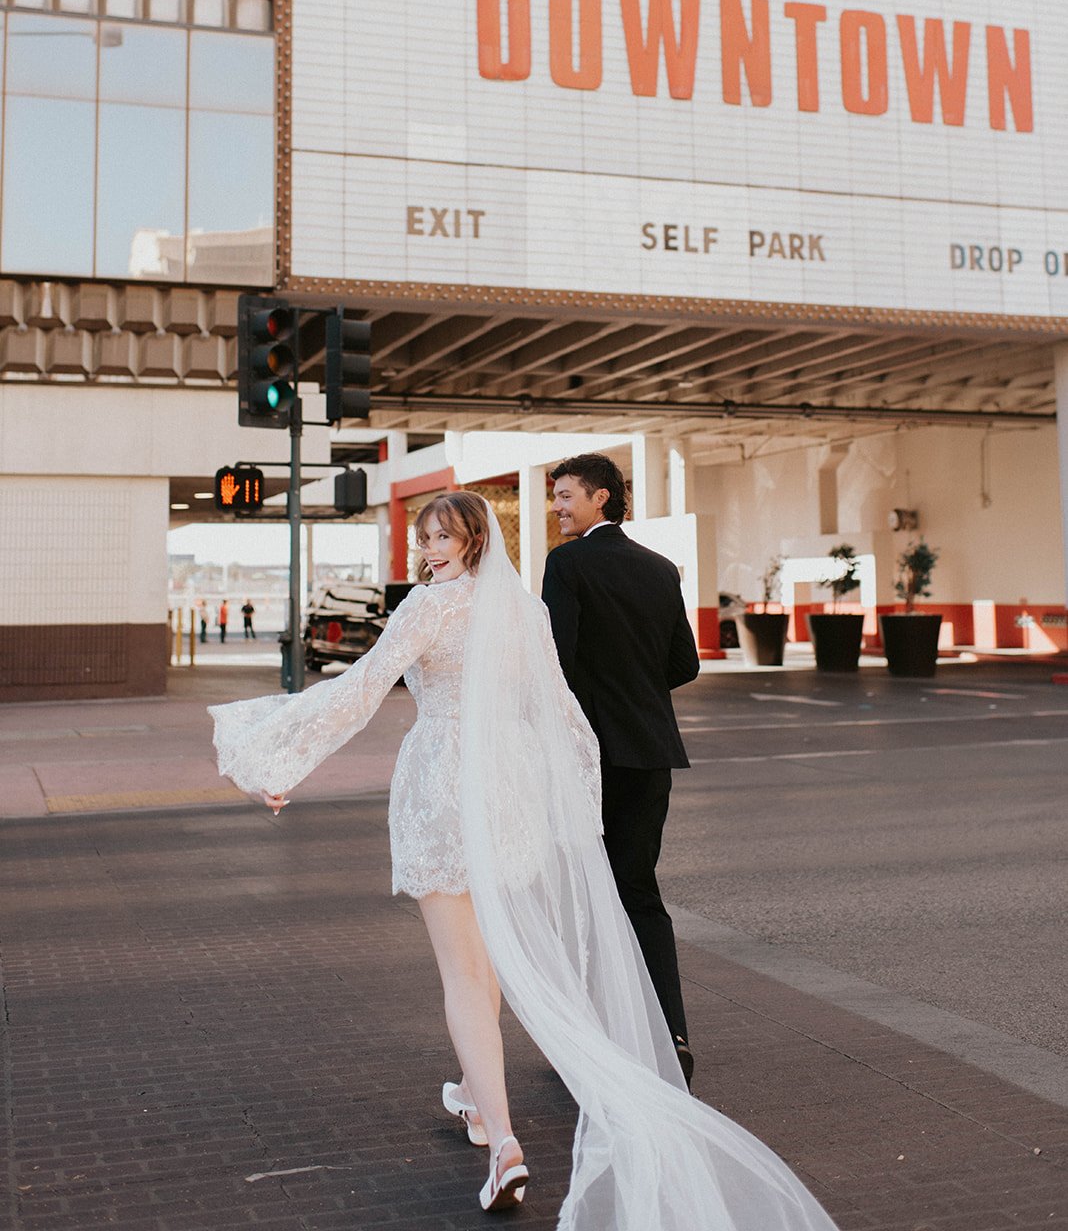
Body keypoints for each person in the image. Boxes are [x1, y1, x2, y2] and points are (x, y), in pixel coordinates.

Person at [209, 493, 838, 1230]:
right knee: (492, 953)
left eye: (442, 536)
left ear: (473, 539)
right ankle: (477, 1096)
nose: (430, 549)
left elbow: (360, 689)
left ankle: (504, 1145)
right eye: (425, 537)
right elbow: (562, 715)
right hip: (508, 790)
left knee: (464, 973)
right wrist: (568, 801)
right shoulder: (522, 610)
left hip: (444, 785)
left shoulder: (426, 608)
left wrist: (276, 760)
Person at [541, 453, 699, 1083]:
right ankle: (670, 1035)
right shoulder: (661, 569)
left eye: (565, 496)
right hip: (650, 754)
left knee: (584, 895)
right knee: (639, 892)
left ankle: (592, 1038)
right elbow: (683, 665)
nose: (556, 506)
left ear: (601, 498)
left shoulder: (568, 564)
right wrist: (634, 686)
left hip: (590, 757)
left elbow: (558, 665)